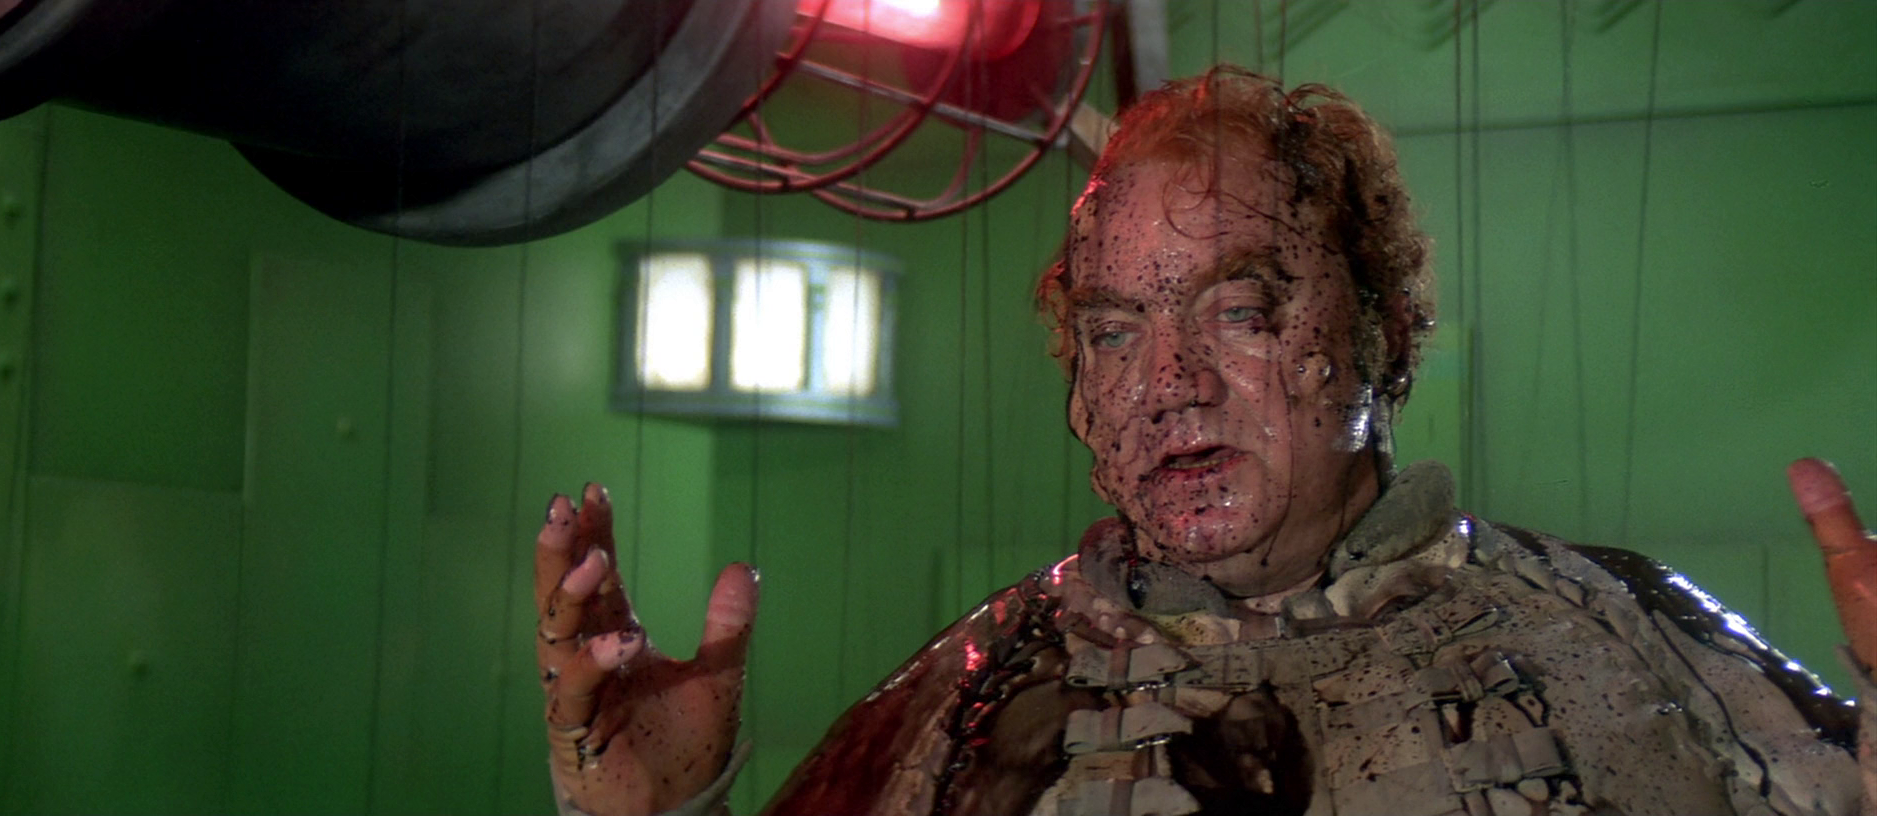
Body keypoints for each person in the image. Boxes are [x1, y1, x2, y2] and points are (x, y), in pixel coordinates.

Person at [531, 66, 1871, 816]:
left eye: (1237, 309)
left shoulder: (1620, 635)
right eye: (1114, 332)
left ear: (1378, 333)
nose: (1167, 382)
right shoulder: (971, 693)